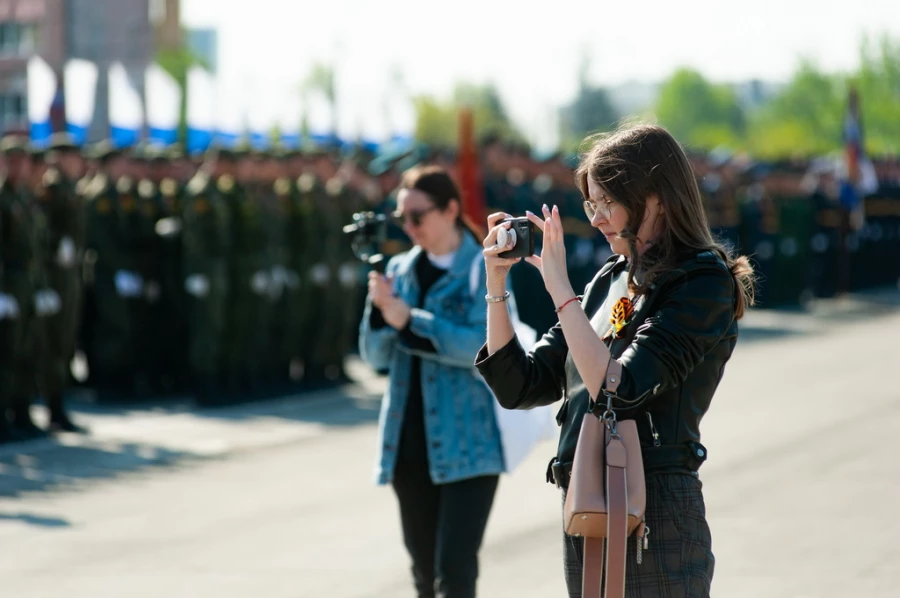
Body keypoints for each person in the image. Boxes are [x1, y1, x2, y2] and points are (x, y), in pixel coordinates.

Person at [475, 124, 755, 597]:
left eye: (608, 202)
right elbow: (521, 385)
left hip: (655, 505)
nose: (598, 217)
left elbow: (619, 388)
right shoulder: (612, 278)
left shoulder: (701, 279)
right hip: (588, 499)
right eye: (591, 204)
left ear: (657, 198)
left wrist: (560, 290)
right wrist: (496, 285)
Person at [358, 165, 504, 598]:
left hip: (468, 442)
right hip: (408, 442)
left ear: (450, 210)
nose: (408, 227)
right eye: (402, 218)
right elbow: (373, 357)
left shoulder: (482, 268)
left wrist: (409, 319)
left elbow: (481, 347)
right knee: (423, 575)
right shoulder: (400, 269)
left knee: (455, 575)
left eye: (417, 216)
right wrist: (378, 312)